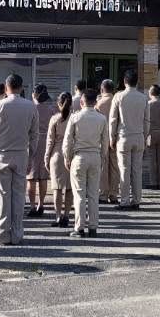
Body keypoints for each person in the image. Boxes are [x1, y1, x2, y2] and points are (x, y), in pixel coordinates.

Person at [0, 73, 39, 246]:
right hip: (21, 154)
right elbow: (34, 134)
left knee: (2, 196)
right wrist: (31, 155)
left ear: (6, 87)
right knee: (19, 196)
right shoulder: (31, 107)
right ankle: (17, 234)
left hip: (1, 155)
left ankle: (2, 234)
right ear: (21, 88)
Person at [63, 86, 105, 238]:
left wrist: (67, 157)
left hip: (79, 156)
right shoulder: (102, 118)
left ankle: (79, 227)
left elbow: (67, 141)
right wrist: (102, 158)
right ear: (95, 102)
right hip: (95, 155)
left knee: (79, 194)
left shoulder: (75, 117)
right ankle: (93, 227)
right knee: (93, 194)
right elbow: (105, 141)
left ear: (82, 101)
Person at [110, 69, 148, 210]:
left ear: (124, 81)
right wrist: (145, 136)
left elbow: (113, 120)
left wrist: (112, 137)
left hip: (123, 137)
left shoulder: (119, 96)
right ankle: (136, 200)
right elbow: (147, 120)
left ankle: (124, 201)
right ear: (137, 82)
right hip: (139, 136)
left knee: (124, 170)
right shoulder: (143, 98)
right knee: (137, 170)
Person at [44, 91, 75, 227]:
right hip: (71, 154)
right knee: (69, 188)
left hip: (56, 154)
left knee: (56, 188)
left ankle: (58, 216)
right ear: (71, 104)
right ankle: (67, 215)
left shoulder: (54, 119)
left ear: (58, 103)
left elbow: (50, 141)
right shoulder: (75, 118)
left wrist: (46, 157)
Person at [27, 84, 58, 218]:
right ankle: (41, 204)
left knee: (31, 177)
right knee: (43, 177)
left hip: (32, 141)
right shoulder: (52, 109)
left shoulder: (31, 109)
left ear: (34, 94)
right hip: (46, 142)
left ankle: (32, 206)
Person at [94, 79, 119, 204]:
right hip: (116, 138)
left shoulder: (98, 104)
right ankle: (113, 194)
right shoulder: (117, 101)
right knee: (115, 167)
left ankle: (103, 194)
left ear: (102, 89)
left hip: (102, 138)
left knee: (103, 166)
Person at [144, 84, 160, 190]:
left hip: (151, 133)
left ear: (150, 93)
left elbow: (144, 120)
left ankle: (153, 181)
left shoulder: (148, 104)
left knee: (151, 159)